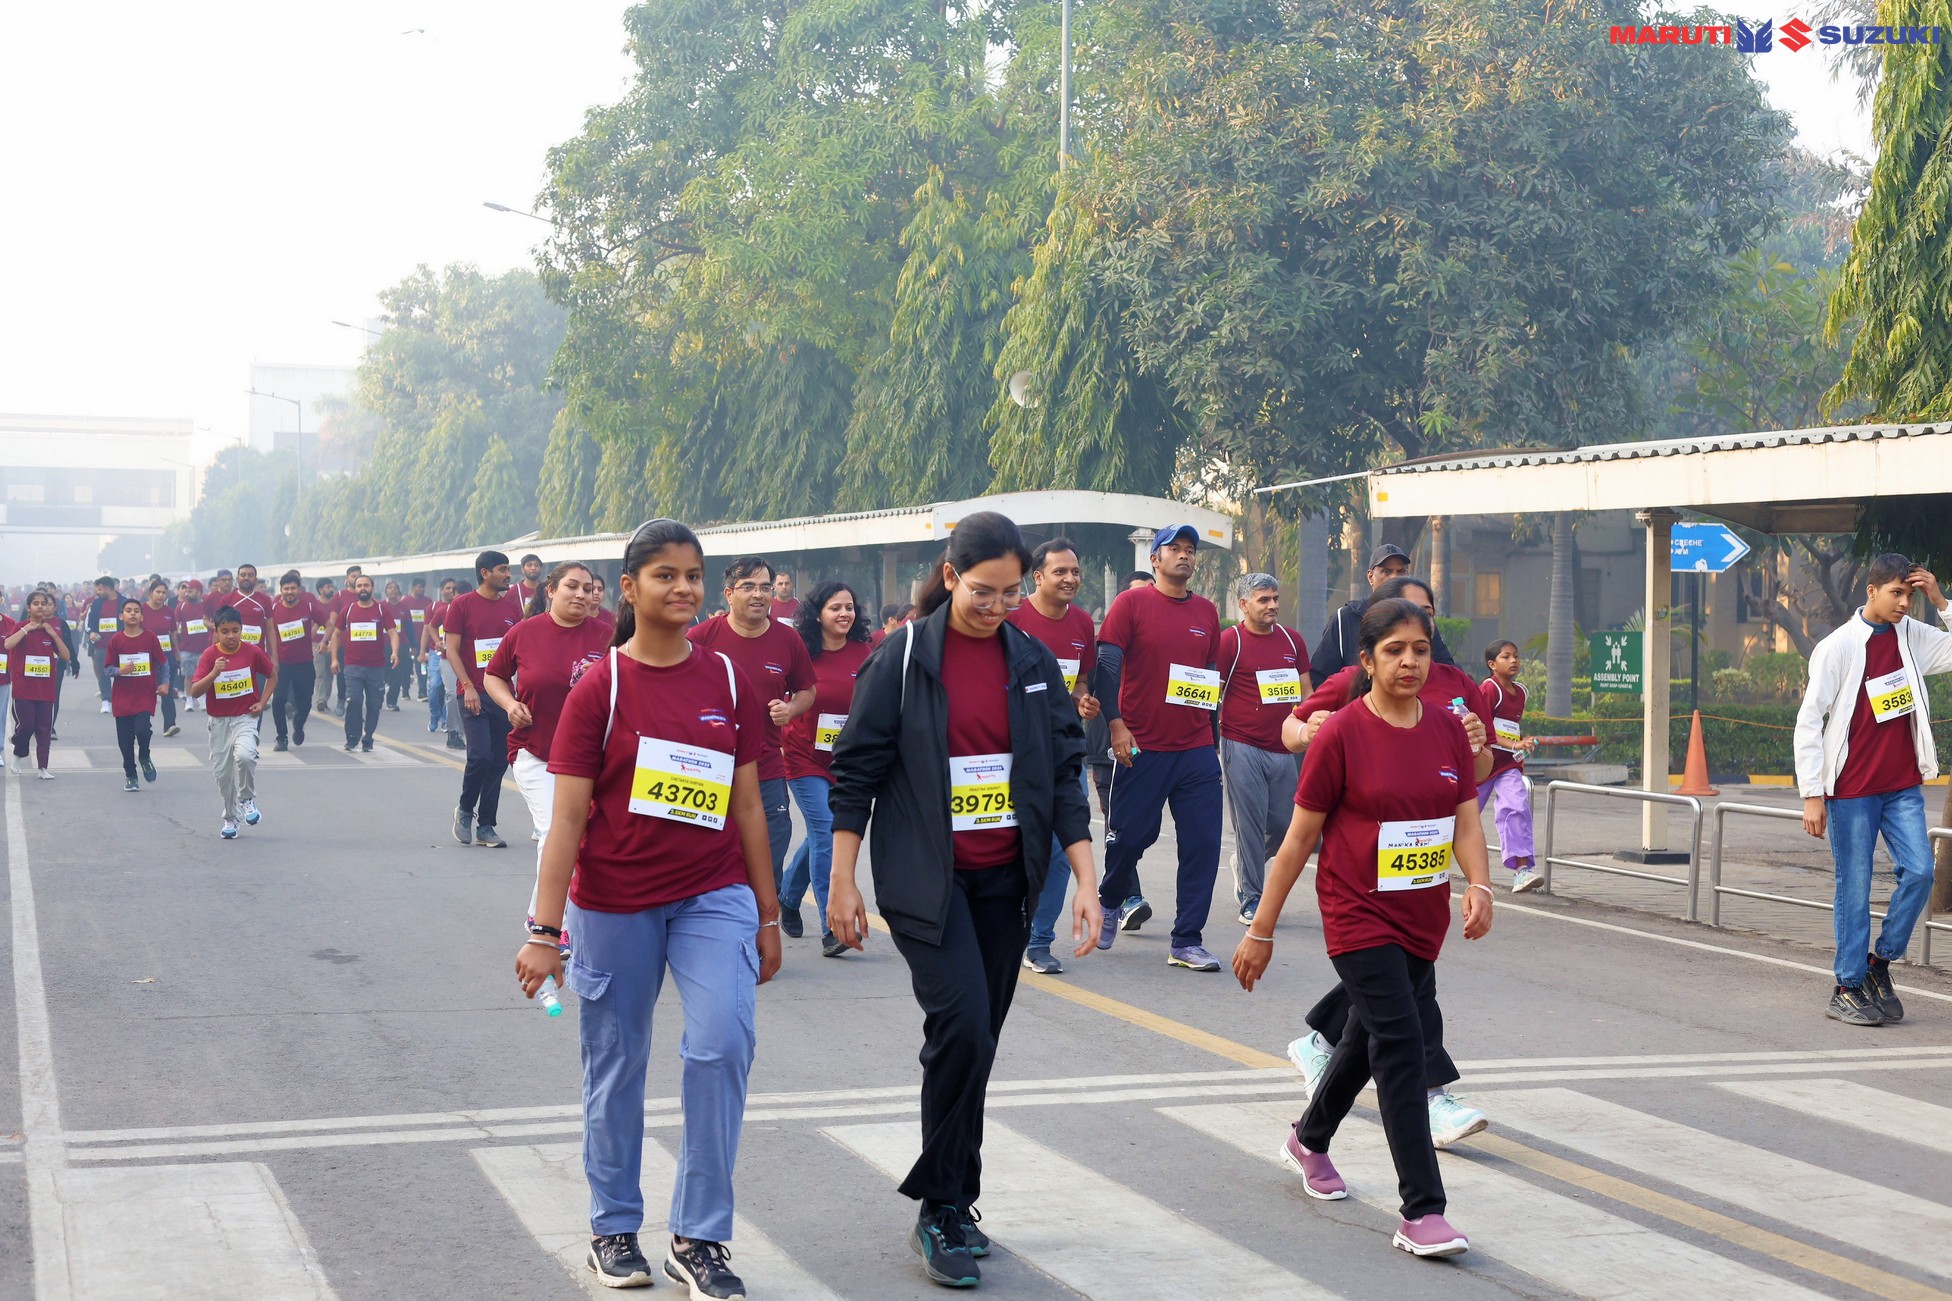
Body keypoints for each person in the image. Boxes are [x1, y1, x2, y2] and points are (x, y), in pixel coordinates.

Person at [827, 512, 1098, 1288]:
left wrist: (1084, 878)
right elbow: (856, 771)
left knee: (973, 1041)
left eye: (1012, 592)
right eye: (984, 590)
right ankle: (938, 1204)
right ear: (950, 575)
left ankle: (957, 1196)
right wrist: (842, 878)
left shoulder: (1032, 660)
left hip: (1006, 883)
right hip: (928, 883)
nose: (999, 605)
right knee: (964, 1024)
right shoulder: (903, 657)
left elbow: (1063, 771)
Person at [514, 518, 781, 1299]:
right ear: (630, 588)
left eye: (693, 574)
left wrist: (768, 914)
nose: (683, 587)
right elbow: (567, 819)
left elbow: (749, 806)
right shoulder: (601, 687)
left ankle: (699, 1238)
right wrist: (544, 932)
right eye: (665, 574)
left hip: (713, 893)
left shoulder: (726, 679)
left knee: (722, 1043)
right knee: (617, 1063)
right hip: (614, 900)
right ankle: (614, 1227)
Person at [1232, 596, 1494, 1261]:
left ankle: (1308, 1138)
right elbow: (1297, 841)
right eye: (1394, 650)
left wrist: (1480, 884)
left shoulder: (1446, 729)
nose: (1409, 662)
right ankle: (1423, 1210)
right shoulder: (1342, 733)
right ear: (1367, 661)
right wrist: (1260, 930)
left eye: (1420, 650)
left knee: (1362, 1037)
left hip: (1421, 915)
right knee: (1402, 1043)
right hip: (1356, 913)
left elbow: (1465, 819)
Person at [1283, 574, 1496, 1149]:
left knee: (1373, 1023)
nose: (1410, 657)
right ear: (1372, 645)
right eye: (1396, 640)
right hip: (1362, 894)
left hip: (1424, 891)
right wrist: (1309, 731)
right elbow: (1292, 730)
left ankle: (1313, 1117)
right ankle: (1429, 1109)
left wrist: (1476, 746)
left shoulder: (1457, 688)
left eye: (1423, 627)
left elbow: (1476, 777)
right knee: (1403, 1023)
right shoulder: (1352, 685)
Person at [1794, 554, 1952, 1027]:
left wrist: (1941, 601)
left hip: (1901, 786)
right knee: (1855, 887)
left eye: (1909, 595)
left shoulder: (1912, 636)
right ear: (1872, 591)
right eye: (1896, 594)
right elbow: (1809, 719)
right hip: (1852, 790)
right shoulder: (1837, 647)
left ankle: (1878, 964)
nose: (1904, 603)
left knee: (1920, 872)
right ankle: (1846, 987)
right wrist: (1812, 793)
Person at [1094, 526, 1227, 971]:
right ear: (1155, 558)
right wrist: (1116, 725)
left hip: (1196, 748)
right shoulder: (1130, 604)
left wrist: (1212, 742)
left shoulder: (1207, 612)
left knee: (1203, 844)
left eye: (1190, 550)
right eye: (1174, 549)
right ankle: (1110, 898)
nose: (1184, 556)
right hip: (1141, 745)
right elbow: (1107, 667)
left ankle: (1186, 940)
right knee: (1131, 837)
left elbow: (1209, 679)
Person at [483, 562, 609, 934]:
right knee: (557, 832)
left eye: (588, 589)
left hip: (593, 759)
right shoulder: (524, 633)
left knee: (588, 841)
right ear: (551, 590)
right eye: (572, 586)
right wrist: (510, 704)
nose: (581, 595)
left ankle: (541, 912)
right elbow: (493, 675)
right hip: (536, 753)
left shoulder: (609, 636)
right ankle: (554, 925)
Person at [688, 557, 816, 894]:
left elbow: (807, 690)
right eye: (748, 587)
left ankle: (765, 923)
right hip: (708, 769)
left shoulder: (788, 639)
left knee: (767, 864)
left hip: (767, 768)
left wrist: (790, 708)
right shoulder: (701, 637)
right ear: (729, 594)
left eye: (764, 587)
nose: (758, 594)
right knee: (706, 867)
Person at [1006, 537, 1101, 974]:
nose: (1070, 579)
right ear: (1038, 576)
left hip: (1063, 752)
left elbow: (1079, 682)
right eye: (1060, 571)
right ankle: (1005, 926)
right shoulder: (1012, 620)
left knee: (1064, 847)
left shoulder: (1082, 624)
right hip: (1010, 753)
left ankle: (1039, 940)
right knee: (1012, 845)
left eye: (1075, 572)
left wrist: (1082, 701)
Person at [778, 579, 874, 957]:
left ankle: (789, 894)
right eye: (835, 607)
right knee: (828, 830)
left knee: (824, 833)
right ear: (817, 614)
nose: (844, 614)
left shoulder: (865, 651)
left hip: (847, 761)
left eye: (849, 607)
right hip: (802, 756)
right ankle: (832, 927)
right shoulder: (799, 651)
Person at [1216, 573, 1308, 926]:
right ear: (1243, 605)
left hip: (1284, 747)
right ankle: (1252, 897)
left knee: (1285, 825)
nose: (1273, 605)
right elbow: (1214, 692)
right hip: (1241, 743)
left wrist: (1310, 730)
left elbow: (1308, 694)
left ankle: (1244, 861)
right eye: (1263, 599)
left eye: (1275, 598)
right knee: (1250, 825)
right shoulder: (1231, 641)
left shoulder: (1292, 640)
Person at [446, 550, 524, 847]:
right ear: (485, 573)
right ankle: (465, 810)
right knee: (479, 755)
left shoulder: (512, 610)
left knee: (499, 761)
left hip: (502, 697)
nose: (508, 575)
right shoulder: (461, 605)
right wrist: (467, 686)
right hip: (472, 693)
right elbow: (452, 650)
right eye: (503, 569)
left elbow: (519, 654)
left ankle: (486, 826)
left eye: (508, 569)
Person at [1309, 545, 1458, 685]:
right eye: (1386, 572)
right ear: (1370, 576)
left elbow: (1447, 672)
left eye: (1401, 572)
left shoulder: (1420, 618)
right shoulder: (1345, 618)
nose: (1394, 578)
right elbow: (1319, 677)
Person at [191, 606, 277, 838]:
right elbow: (195, 691)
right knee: (224, 775)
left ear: (242, 630)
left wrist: (262, 702)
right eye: (225, 631)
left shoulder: (252, 652)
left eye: (235, 631)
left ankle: (247, 798)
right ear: (216, 631)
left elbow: (272, 675)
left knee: (245, 756)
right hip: (218, 722)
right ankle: (231, 818)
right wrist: (214, 673)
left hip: (245, 718)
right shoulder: (210, 655)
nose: (231, 636)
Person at [1084, 573, 1154, 820]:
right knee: (1116, 823)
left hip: (1151, 750)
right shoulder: (1102, 645)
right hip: (1108, 752)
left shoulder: (1161, 648)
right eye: (1139, 594)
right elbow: (1082, 690)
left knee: (1143, 823)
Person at [1479, 640, 1542, 892]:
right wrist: (1515, 743)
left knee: (1517, 807)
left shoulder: (1521, 692)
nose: (1513, 660)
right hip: (1480, 764)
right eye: (1506, 657)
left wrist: (1522, 743)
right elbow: (1482, 729)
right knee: (1460, 818)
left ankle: (1522, 871)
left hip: (1508, 765)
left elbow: (1511, 728)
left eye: (1516, 656)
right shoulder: (1489, 689)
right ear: (1492, 664)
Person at [329, 575, 399, 754]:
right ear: (355, 588)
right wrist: (334, 658)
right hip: (353, 666)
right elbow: (336, 635)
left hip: (376, 667)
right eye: (359, 585)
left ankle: (368, 736)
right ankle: (352, 737)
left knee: (374, 704)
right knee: (354, 701)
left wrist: (394, 652)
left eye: (366, 585)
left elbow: (393, 633)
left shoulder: (381, 609)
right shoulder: (348, 610)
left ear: (372, 588)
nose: (362, 588)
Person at [105, 598, 166, 791]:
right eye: (129, 610)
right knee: (125, 740)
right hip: (122, 697)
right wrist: (120, 671)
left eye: (136, 611)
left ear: (141, 616)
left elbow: (163, 663)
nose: (133, 614)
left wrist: (165, 682)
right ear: (121, 616)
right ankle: (130, 775)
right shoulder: (116, 640)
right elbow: (107, 669)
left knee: (142, 729)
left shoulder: (150, 637)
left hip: (144, 694)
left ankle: (144, 756)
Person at [8, 591, 69, 778]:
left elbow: (65, 655)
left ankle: (43, 768)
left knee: (44, 730)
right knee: (26, 726)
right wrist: (27, 629)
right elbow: (8, 644)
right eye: (36, 603)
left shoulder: (50, 630)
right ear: (29, 607)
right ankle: (18, 754)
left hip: (46, 689)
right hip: (24, 688)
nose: (41, 606)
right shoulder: (20, 626)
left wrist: (54, 635)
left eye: (44, 603)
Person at [270, 570, 326, 751]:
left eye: (293, 588)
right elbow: (268, 633)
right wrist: (272, 658)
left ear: (299, 590)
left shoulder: (308, 607)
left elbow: (329, 623)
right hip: (282, 663)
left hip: (304, 663)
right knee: (278, 700)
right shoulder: (274, 609)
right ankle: (281, 737)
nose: (289, 592)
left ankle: (298, 724)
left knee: (305, 702)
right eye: (286, 589)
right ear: (281, 590)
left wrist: (324, 641)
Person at [142, 580, 181, 738]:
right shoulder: (141, 610)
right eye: (157, 592)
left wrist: (176, 653)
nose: (161, 595)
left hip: (166, 656)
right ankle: (142, 725)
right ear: (150, 593)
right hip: (146, 657)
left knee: (167, 690)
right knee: (145, 692)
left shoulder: (169, 611)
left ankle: (170, 724)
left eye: (164, 593)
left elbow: (173, 633)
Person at [424, 577, 458, 739]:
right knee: (435, 685)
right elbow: (429, 628)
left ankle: (446, 720)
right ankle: (434, 715)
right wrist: (436, 642)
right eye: (448, 588)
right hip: (437, 653)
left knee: (449, 690)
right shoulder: (436, 608)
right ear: (442, 590)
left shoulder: (462, 608)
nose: (450, 591)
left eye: (453, 588)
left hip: (455, 654)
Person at [84, 575, 122, 711]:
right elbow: (88, 623)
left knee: (122, 673)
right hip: (101, 646)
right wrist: (91, 633)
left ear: (107, 588)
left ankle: (120, 698)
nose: (97, 592)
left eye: (100, 589)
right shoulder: (96, 604)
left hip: (121, 646)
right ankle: (106, 700)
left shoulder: (124, 602)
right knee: (103, 673)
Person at [177, 578, 210, 715]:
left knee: (203, 676)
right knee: (188, 675)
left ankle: (202, 699)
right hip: (187, 648)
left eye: (191, 590)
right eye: (186, 590)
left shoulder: (206, 606)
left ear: (199, 592)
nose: (187, 593)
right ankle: (189, 699)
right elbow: (176, 626)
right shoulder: (182, 606)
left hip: (204, 648)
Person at [311, 578, 341, 717]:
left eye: (331, 586)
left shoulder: (336, 605)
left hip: (333, 643)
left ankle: (325, 699)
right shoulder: (314, 605)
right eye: (327, 586)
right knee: (320, 672)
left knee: (329, 672)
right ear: (320, 589)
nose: (330, 589)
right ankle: (320, 699)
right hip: (316, 643)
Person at [399, 579, 433, 700]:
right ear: (413, 587)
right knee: (407, 667)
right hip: (409, 641)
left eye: (423, 587)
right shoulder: (405, 602)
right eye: (419, 587)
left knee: (422, 666)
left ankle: (422, 691)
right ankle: (405, 690)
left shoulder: (428, 602)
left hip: (423, 641)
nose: (422, 589)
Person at [382, 580, 413, 711]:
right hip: (382, 646)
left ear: (399, 591)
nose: (393, 590)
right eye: (390, 587)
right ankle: (377, 696)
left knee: (397, 674)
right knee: (381, 674)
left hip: (401, 646)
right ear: (386, 591)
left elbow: (409, 628)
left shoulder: (404, 608)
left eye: (395, 587)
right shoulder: (380, 606)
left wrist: (414, 645)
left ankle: (392, 701)